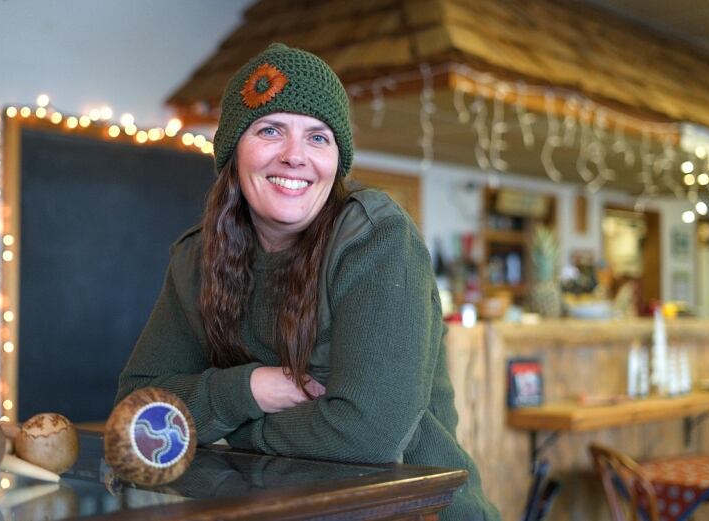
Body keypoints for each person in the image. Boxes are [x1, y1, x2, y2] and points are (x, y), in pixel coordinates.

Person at [116, 43, 499, 520]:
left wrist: (228, 427)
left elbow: (368, 434)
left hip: (418, 512)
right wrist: (253, 389)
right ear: (233, 151)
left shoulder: (375, 236)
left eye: (318, 138)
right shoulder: (196, 257)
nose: (295, 156)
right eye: (271, 129)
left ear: (337, 161)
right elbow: (136, 413)